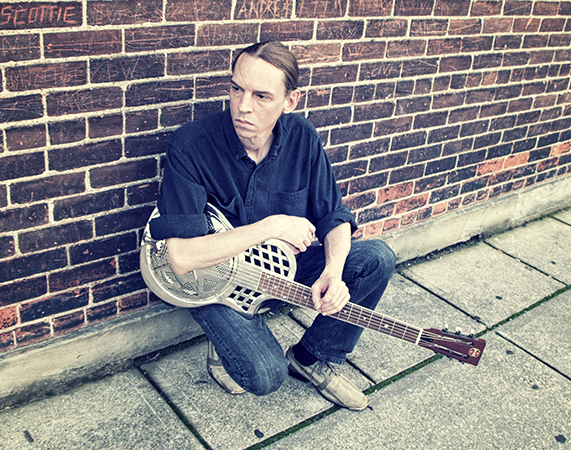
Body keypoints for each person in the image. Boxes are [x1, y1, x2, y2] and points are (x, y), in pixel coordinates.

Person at [147, 41, 396, 411]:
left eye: (261, 96)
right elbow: (182, 257)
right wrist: (272, 226)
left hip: (282, 269)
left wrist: (333, 272)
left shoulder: (302, 137)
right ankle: (225, 343)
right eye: (236, 89)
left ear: (290, 100)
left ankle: (311, 358)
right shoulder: (191, 145)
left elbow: (334, 216)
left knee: (376, 257)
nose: (243, 106)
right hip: (215, 281)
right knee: (265, 375)